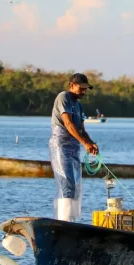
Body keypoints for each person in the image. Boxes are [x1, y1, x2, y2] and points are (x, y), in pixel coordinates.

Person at [50, 73, 99, 222]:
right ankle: (63, 221)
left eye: (86, 89)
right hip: (61, 146)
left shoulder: (79, 105)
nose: (84, 92)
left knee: (76, 185)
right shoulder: (63, 97)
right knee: (67, 182)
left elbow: (82, 130)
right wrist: (85, 143)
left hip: (74, 148)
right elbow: (69, 125)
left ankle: (72, 220)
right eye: (81, 88)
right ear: (72, 85)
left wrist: (91, 143)